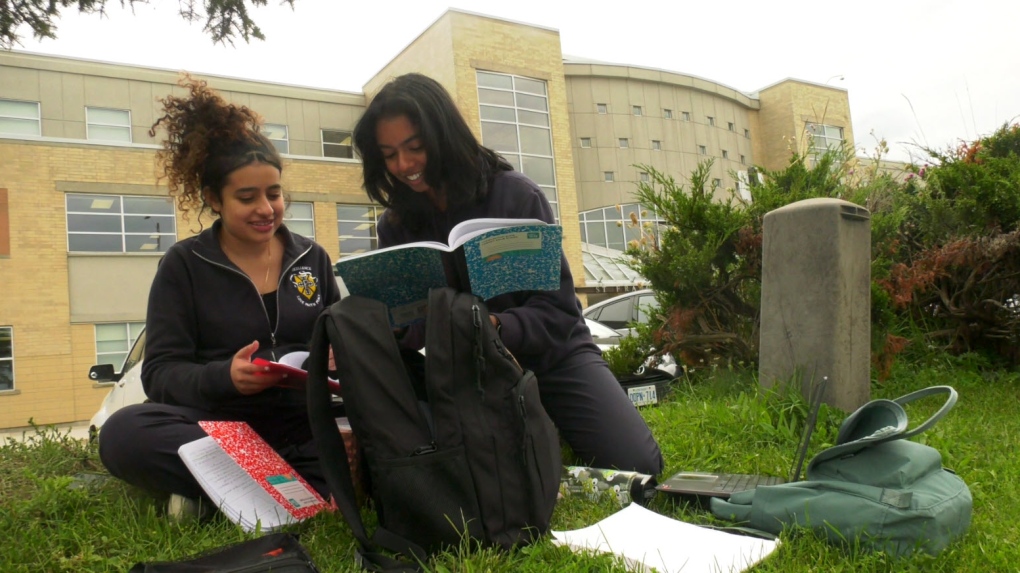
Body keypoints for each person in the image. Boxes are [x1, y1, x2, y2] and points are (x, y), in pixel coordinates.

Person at [352, 73, 663, 476]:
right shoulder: (397, 224)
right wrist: (392, 324)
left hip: (553, 360)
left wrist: (493, 325)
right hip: (467, 375)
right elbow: (414, 326)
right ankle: (531, 429)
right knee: (477, 474)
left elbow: (557, 314)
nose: (404, 165)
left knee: (637, 465)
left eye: (415, 147)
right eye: (389, 154)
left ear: (443, 136)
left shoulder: (515, 196)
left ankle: (548, 419)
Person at [98, 77, 342, 512]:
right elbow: (160, 374)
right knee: (124, 433)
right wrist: (225, 378)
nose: (266, 209)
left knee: (395, 425)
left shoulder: (312, 256)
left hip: (307, 423)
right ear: (214, 198)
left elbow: (343, 335)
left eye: (274, 193)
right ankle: (280, 486)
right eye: (247, 197)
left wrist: (340, 353)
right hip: (220, 424)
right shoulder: (184, 265)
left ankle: (232, 490)